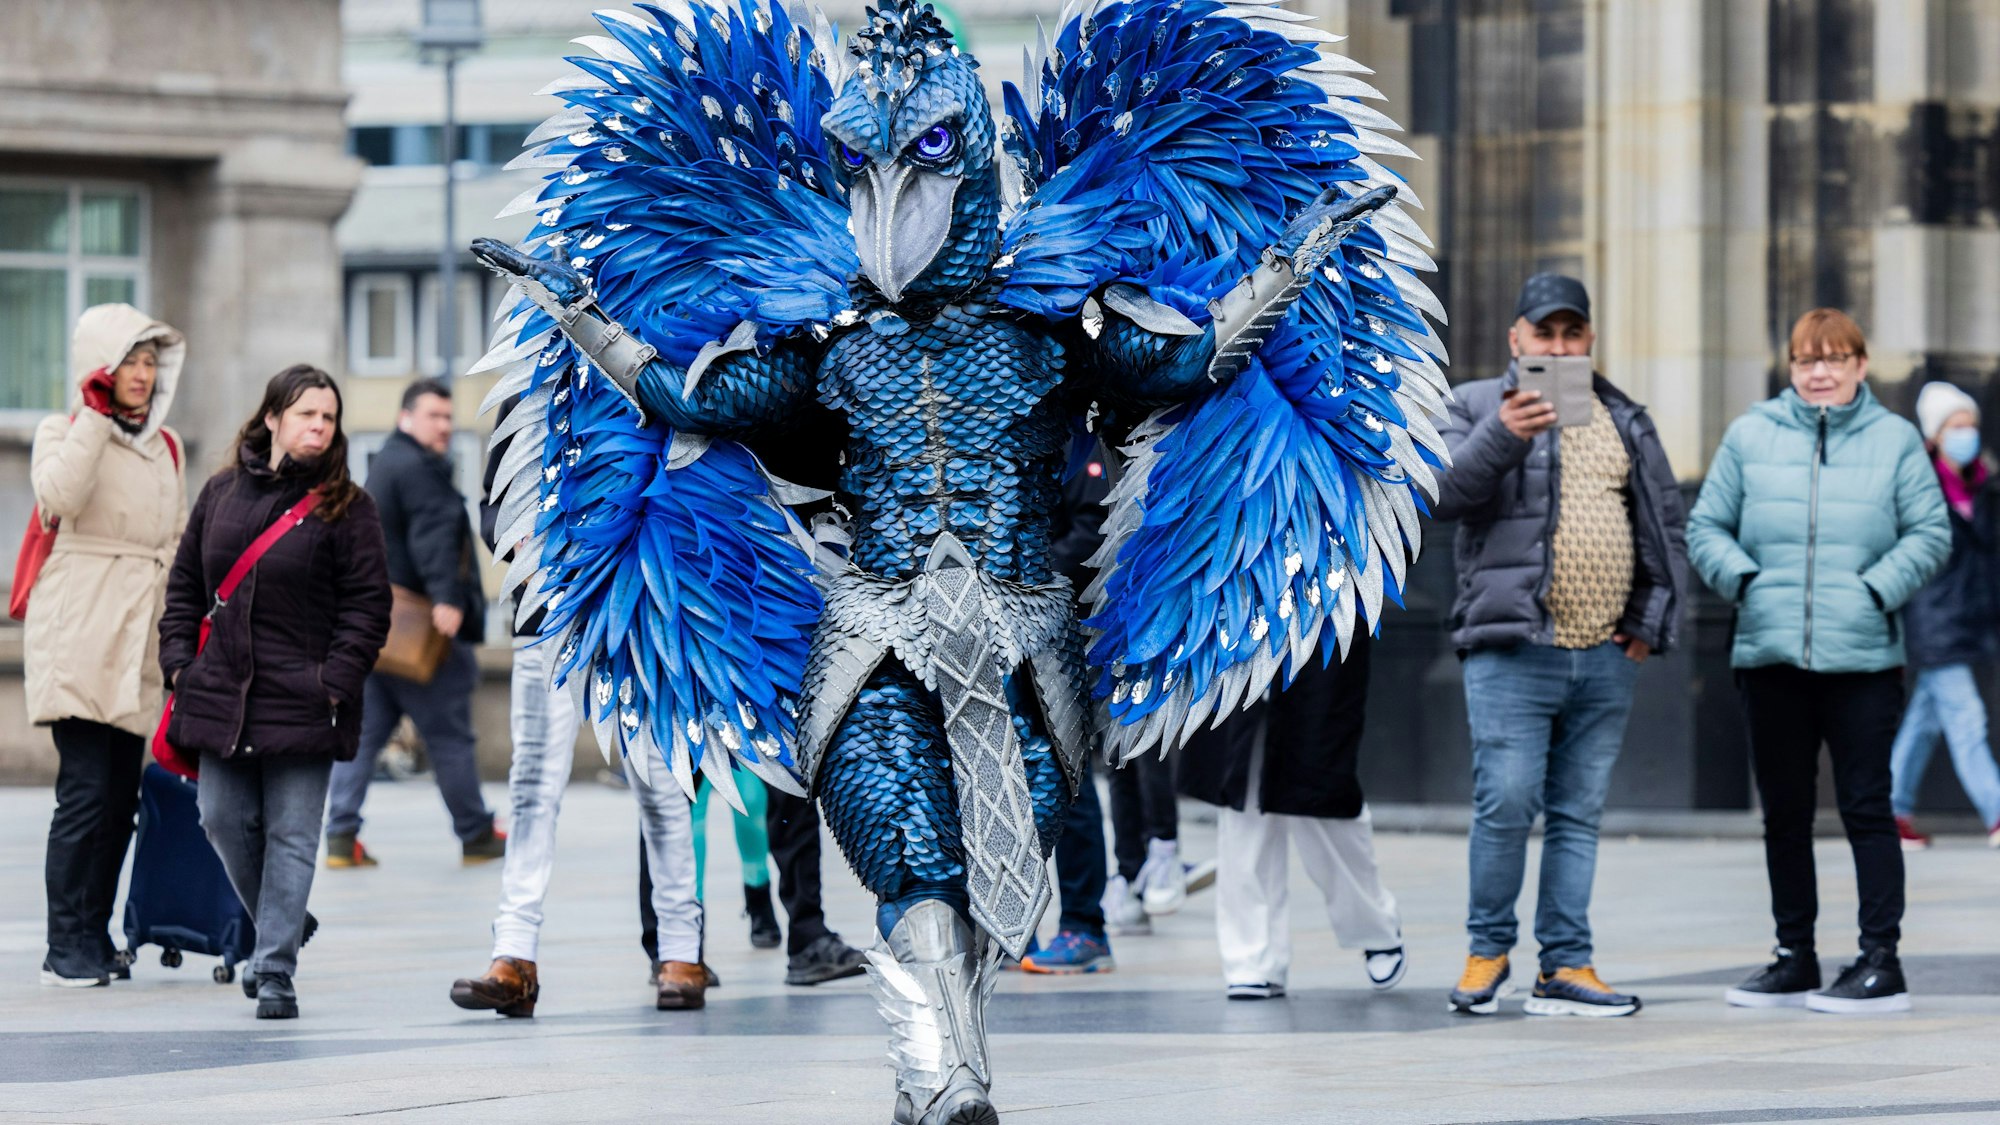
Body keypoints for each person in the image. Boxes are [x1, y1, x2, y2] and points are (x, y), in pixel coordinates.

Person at [1430, 273, 1687, 1018]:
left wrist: (1647, 623)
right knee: (1506, 802)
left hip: (1604, 655)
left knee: (1578, 812)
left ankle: (1566, 963)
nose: (1559, 347)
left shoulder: (1623, 416)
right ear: (1516, 338)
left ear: (1590, 341)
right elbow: (1443, 494)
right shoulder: (1475, 404)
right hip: (1512, 647)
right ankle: (1487, 952)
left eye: (1572, 334)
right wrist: (1506, 434)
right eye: (1544, 333)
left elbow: (1663, 526)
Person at [1690, 308, 1950, 1014]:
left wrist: (1875, 589)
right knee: (1785, 813)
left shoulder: (1895, 442)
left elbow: (1930, 531)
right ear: (1792, 367)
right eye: (1808, 359)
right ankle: (1793, 955)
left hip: (1863, 658)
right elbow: (1706, 525)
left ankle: (1879, 959)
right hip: (1769, 653)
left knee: (1867, 806)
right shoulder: (1751, 434)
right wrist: (1745, 581)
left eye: (1835, 358)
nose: (1821, 372)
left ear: (1861, 367)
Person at [450, 394, 708, 1015]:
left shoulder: (650, 364)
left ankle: (681, 947)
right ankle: (513, 951)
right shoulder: (534, 385)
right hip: (549, 612)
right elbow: (494, 505)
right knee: (533, 781)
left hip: (644, 606)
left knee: (660, 779)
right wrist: (523, 546)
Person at [160, 365, 393, 1018]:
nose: (319, 426)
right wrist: (179, 663)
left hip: (306, 698)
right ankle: (281, 924)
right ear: (272, 419)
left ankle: (276, 970)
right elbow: (184, 586)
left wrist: (335, 679)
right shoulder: (221, 492)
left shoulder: (349, 506)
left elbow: (368, 605)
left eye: (328, 416)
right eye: (306, 414)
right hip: (220, 693)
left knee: (292, 835)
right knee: (220, 817)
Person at [26, 304, 188, 987]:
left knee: (123, 795)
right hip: (81, 629)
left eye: (151, 361)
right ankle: (64, 943)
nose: (143, 375)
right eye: (129, 360)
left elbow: (175, 542)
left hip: (139, 639)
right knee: (86, 793)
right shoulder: (62, 430)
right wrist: (93, 416)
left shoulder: (166, 445)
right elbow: (57, 495)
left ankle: (94, 931)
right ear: (100, 363)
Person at [324, 377, 502, 866]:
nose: (444, 426)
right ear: (406, 417)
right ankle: (476, 834)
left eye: (449, 417)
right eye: (434, 416)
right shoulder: (418, 468)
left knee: (364, 737)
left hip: (381, 634)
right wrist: (447, 598)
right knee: (450, 736)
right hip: (423, 631)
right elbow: (434, 535)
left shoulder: (387, 462)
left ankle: (340, 837)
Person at [1890, 381, 2000, 850]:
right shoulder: (1920, 485)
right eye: (1955, 426)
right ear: (1934, 434)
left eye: (1969, 425)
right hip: (1932, 619)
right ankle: (1998, 814)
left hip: (1972, 618)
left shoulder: (1985, 486)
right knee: (1967, 718)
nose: (1965, 434)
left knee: (1925, 720)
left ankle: (1889, 810)